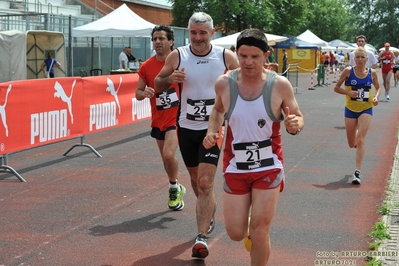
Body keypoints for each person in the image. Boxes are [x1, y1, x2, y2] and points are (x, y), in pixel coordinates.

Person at [203, 28, 304, 265]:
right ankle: (251, 223)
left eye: (255, 57)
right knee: (236, 233)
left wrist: (294, 124)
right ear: (236, 54)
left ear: (266, 56)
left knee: (260, 232)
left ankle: (258, 232)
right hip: (235, 165)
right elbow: (218, 109)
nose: (248, 62)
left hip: (269, 165)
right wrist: (212, 131)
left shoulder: (280, 85)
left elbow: (298, 116)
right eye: (243, 56)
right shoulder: (224, 84)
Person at [154, 11, 239, 259]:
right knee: (195, 180)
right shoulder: (178, 55)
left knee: (204, 182)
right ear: (188, 32)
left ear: (212, 33)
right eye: (193, 32)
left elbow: (246, 82)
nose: (198, 37)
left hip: (213, 128)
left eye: (203, 33)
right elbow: (158, 82)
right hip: (186, 127)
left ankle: (201, 237)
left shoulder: (225, 56)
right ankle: (208, 208)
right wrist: (170, 78)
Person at [135, 25, 185, 211]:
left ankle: (173, 188)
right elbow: (137, 93)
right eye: (155, 39)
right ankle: (176, 184)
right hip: (159, 118)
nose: (157, 42)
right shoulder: (146, 66)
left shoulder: (181, 61)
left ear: (171, 41)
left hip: (178, 117)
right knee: (166, 160)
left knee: (168, 154)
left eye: (161, 38)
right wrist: (145, 92)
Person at [334, 46, 380, 184]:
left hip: (366, 108)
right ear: (354, 59)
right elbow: (336, 88)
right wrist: (348, 93)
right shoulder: (348, 71)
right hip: (350, 109)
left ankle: (357, 173)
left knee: (360, 140)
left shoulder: (372, 73)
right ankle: (356, 138)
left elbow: (378, 88)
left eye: (362, 57)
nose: (360, 59)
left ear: (367, 59)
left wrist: (376, 97)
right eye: (357, 57)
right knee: (351, 143)